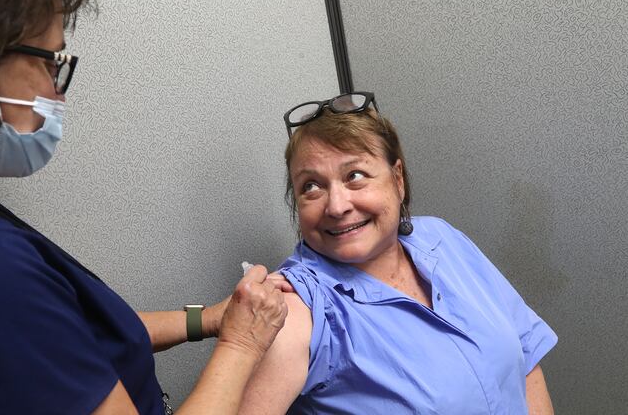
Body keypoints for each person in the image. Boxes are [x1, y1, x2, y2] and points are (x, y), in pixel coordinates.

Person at [0, 0, 290, 414]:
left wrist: (208, 320)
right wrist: (242, 343)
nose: (59, 94)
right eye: (51, 61)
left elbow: (63, 343)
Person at [238, 92, 558, 414]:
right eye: (311, 186)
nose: (336, 206)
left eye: (355, 176)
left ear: (398, 179)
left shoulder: (442, 239)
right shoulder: (295, 308)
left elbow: (526, 359)